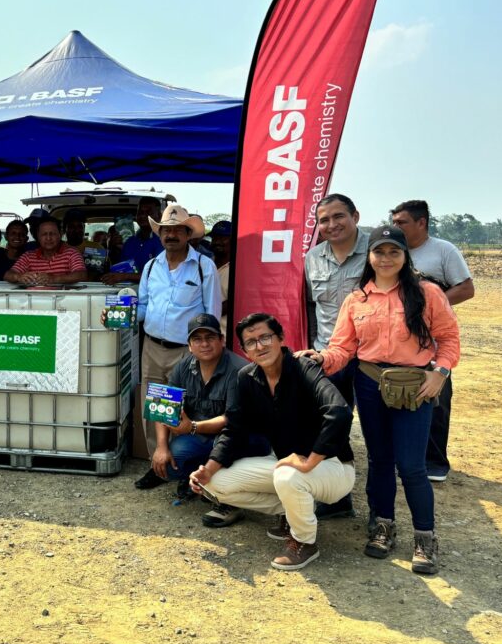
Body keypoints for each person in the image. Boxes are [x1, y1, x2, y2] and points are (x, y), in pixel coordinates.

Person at [299, 225, 460, 575]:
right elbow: (343, 348)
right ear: (369, 257)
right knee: (380, 460)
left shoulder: (428, 293)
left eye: (393, 252)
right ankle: (382, 525)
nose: (386, 258)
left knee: (412, 466)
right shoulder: (357, 299)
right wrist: (322, 358)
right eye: (379, 252)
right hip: (370, 385)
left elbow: (448, 339)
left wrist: (441, 373)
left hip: (415, 386)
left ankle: (424, 537)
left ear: (405, 256)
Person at [188, 313, 355, 572]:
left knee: (288, 477)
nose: (260, 346)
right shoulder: (247, 378)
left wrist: (311, 459)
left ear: (280, 338)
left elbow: (339, 411)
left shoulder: (304, 368)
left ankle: (304, 542)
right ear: (244, 350)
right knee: (216, 482)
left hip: (332, 467)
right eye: (251, 342)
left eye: (265, 337)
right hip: (286, 465)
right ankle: (293, 512)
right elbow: (234, 429)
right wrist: (207, 469)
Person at [131, 204, 222, 489]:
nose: (171, 235)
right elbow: (144, 307)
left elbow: (212, 314)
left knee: (186, 409)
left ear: (187, 234)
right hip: (153, 347)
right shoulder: (150, 267)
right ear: (160, 234)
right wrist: (123, 316)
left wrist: (206, 353)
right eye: (166, 230)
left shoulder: (204, 267)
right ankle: (156, 464)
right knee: (154, 409)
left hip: (187, 351)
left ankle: (183, 468)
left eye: (177, 230)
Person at [390, 200, 474, 482]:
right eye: (393, 222)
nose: (395, 227)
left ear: (422, 223)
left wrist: (428, 305)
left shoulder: (443, 250)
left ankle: (435, 463)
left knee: (436, 400)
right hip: (399, 344)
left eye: (401, 222)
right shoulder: (392, 252)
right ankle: (402, 458)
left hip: (435, 342)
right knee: (398, 398)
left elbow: (466, 288)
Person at [302, 194, 370, 519]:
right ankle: (337, 499)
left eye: (338, 216)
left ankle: (380, 509)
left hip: (372, 359)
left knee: (375, 427)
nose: (331, 225)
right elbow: (311, 308)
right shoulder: (312, 258)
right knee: (332, 425)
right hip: (329, 355)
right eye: (324, 220)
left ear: (355, 215)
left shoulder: (378, 252)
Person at [150, 314, 246, 496]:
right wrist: (161, 447)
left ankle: (224, 494)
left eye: (210, 338)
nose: (204, 344)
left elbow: (231, 419)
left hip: (230, 438)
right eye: (197, 339)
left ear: (221, 340)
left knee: (225, 449)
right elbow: (163, 407)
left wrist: (192, 427)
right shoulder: (182, 367)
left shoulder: (238, 370)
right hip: (198, 437)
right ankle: (195, 479)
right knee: (170, 464)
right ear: (189, 345)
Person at [4, 217, 86, 286]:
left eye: (52, 234)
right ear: (38, 237)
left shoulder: (72, 253)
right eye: (44, 234)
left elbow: (81, 275)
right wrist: (19, 277)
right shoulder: (28, 256)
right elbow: (8, 275)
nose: (48, 238)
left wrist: (53, 279)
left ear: (60, 234)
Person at [102, 197, 163, 285]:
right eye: (140, 212)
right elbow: (118, 269)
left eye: (148, 212)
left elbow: (159, 276)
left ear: (159, 216)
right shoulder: (129, 242)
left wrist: (125, 276)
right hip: (127, 293)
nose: (143, 216)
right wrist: (113, 249)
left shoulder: (164, 241)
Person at [64, 209, 108, 280]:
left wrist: (104, 266)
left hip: (93, 287)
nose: (76, 230)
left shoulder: (97, 247)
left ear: (84, 228)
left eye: (79, 226)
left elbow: (106, 273)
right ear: (65, 229)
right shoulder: (60, 248)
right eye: (72, 226)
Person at [207, 220, 232, 336]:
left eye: (223, 238)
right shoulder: (205, 265)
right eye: (215, 238)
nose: (217, 242)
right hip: (205, 336)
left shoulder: (238, 269)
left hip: (226, 337)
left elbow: (234, 301)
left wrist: (207, 313)